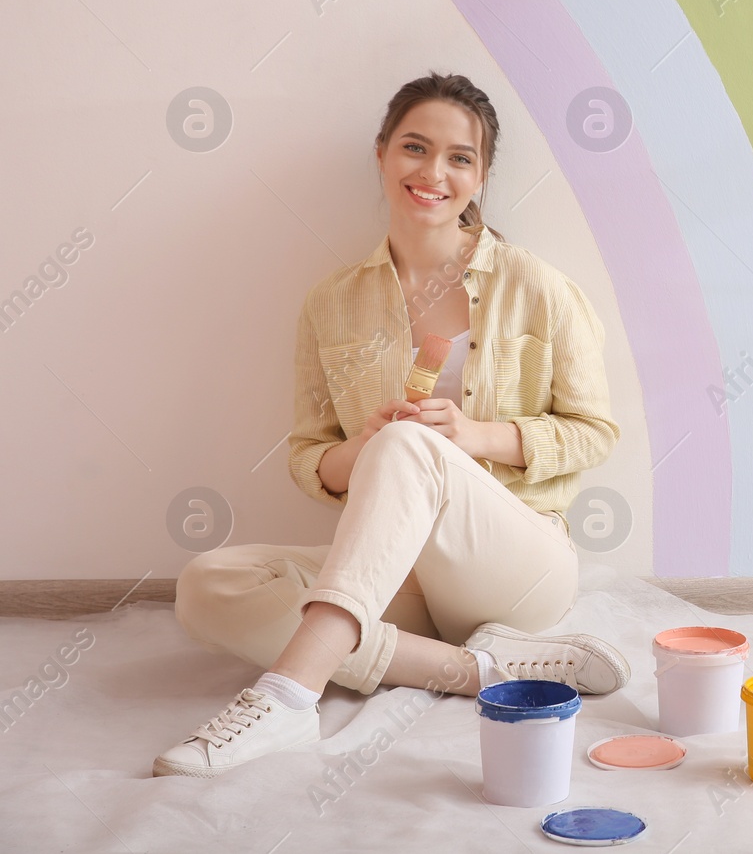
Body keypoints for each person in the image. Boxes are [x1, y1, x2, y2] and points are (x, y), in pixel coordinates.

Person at [152, 72, 627, 779]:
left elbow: (595, 431)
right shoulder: (331, 302)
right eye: (415, 147)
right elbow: (309, 454)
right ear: (382, 154)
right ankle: (475, 668)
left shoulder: (538, 287)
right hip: (393, 578)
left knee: (410, 445)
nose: (434, 172)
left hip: (518, 562)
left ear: (481, 176)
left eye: (460, 157)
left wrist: (474, 438)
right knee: (206, 582)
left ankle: (287, 695)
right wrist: (365, 452)